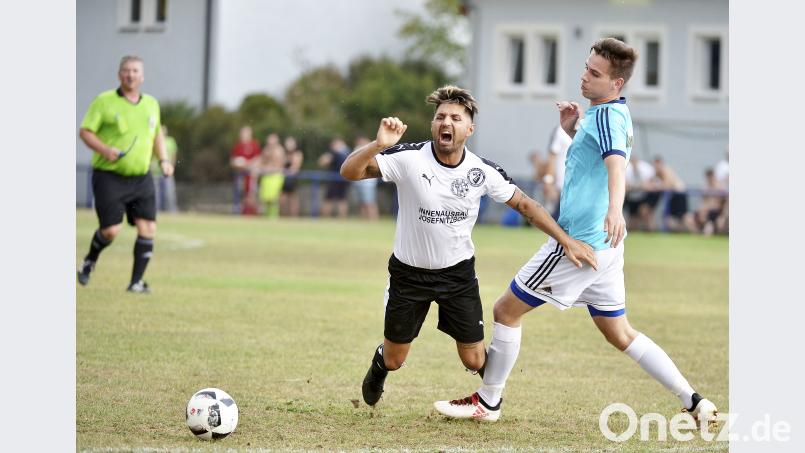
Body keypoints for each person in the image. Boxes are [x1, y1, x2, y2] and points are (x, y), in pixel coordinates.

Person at [434, 38, 718, 425]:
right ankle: (694, 401)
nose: (584, 76)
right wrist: (572, 131)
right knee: (620, 332)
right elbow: (597, 160)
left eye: (594, 73)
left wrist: (616, 210)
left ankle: (488, 402)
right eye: (586, 67)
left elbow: (616, 166)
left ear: (616, 83)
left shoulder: (607, 118)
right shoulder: (610, 113)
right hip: (606, 250)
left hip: (578, 244)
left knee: (505, 310)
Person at [340, 85, 596, 408]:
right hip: (408, 275)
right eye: (440, 117)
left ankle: (490, 400)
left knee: (475, 359)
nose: (446, 123)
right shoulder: (408, 158)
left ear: (469, 129)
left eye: (455, 118)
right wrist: (378, 145)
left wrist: (566, 240)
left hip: (457, 276)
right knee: (395, 359)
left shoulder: (481, 170)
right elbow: (349, 172)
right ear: (433, 124)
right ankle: (380, 365)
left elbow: (526, 205)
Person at [76, 55, 174, 293]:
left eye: (135, 71)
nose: (131, 75)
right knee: (110, 230)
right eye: (126, 70)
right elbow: (85, 132)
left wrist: (163, 160)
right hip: (109, 176)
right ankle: (90, 260)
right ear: (119, 74)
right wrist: (105, 150)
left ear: (142, 76)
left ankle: (136, 282)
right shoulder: (104, 101)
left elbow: (157, 136)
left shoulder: (151, 104)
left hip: (141, 177)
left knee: (148, 228)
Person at [652, 156, 696, 232]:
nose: (655, 167)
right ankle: (685, 231)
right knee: (670, 217)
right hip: (674, 196)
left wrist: (656, 186)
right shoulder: (658, 172)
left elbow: (668, 185)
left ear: (660, 163)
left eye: (656, 165)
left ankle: (696, 232)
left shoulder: (666, 170)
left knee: (684, 216)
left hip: (679, 194)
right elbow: (651, 181)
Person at [230, 126, 261, 215]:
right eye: (243, 133)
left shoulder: (254, 145)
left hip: (251, 176)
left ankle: (253, 214)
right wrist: (239, 164)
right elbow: (232, 161)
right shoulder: (237, 145)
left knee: (251, 195)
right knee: (240, 194)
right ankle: (239, 213)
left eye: (246, 133)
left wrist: (247, 164)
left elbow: (258, 159)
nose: (244, 135)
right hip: (240, 175)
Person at [255, 133, 286, 219]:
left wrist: (270, 169)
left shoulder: (279, 151)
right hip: (266, 176)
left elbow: (280, 165)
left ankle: (274, 216)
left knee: (273, 198)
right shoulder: (266, 150)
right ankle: (266, 216)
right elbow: (262, 161)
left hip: (276, 176)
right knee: (265, 198)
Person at [318, 138, 351, 218]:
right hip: (344, 178)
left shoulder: (335, 153)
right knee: (342, 199)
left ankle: (326, 217)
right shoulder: (348, 152)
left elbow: (322, 162)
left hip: (335, 179)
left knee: (329, 199)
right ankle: (342, 218)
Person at [150, 124, 178, 212]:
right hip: (155, 172)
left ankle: (171, 211)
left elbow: (174, 155)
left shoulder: (171, 141)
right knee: (156, 194)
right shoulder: (154, 141)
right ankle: (156, 211)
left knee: (169, 193)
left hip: (167, 171)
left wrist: (172, 166)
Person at [351, 136, 380, 220]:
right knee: (361, 202)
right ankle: (364, 218)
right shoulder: (357, 149)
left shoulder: (372, 151)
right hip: (358, 182)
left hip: (368, 183)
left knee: (369, 202)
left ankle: (373, 218)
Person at [280, 136, 304, 217]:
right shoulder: (283, 153)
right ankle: (284, 217)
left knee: (293, 198)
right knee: (282, 199)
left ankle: (294, 217)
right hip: (283, 179)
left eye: (291, 143)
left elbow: (295, 168)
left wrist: (285, 171)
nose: (289, 144)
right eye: (288, 142)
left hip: (292, 179)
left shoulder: (297, 154)